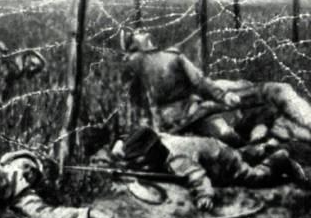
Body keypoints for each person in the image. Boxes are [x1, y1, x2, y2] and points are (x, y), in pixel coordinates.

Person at [121, 30, 311, 148]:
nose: (142, 30)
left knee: (233, 127)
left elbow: (134, 105)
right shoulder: (168, 57)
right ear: (135, 45)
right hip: (195, 112)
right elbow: (200, 83)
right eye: (136, 32)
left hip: (183, 119)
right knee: (274, 91)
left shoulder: (133, 66)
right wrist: (224, 96)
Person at [111, 126, 310, 212]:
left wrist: (204, 196)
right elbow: (137, 135)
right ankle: (259, 150)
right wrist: (121, 145)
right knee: (239, 154)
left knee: (252, 176)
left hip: (220, 162)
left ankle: (278, 159)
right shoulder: (159, 139)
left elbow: (198, 177)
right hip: (212, 147)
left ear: (153, 154)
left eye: (140, 160)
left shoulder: (177, 160)